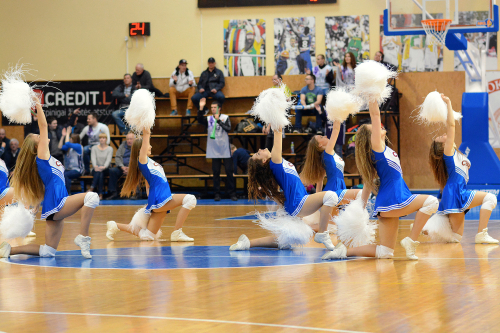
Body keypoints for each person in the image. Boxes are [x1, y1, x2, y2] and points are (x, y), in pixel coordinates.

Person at [322, 100, 438, 261]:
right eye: (374, 128)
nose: (379, 126)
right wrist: (373, 95)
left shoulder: (383, 150)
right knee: (432, 202)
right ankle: (411, 240)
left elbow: (369, 182)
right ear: (372, 137)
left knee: (385, 252)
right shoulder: (377, 148)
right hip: (393, 198)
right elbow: (375, 114)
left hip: (388, 201)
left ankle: (343, 252)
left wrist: (361, 207)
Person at [0, 97, 99, 259]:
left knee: (47, 252)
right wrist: (37, 104)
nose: (41, 135)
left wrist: (37, 206)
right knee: (92, 197)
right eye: (38, 137)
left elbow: (43, 187)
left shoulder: (43, 162)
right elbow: (44, 125)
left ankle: (9, 250)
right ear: (37, 147)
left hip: (52, 206)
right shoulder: (42, 156)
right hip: (58, 203)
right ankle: (83, 237)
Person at [230, 128, 338, 253]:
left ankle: (247, 243)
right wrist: (277, 116)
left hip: (296, 203)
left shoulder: (276, 166)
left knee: (284, 242)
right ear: (264, 161)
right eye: (258, 154)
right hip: (299, 202)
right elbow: (278, 132)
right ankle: (322, 234)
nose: (259, 150)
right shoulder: (275, 161)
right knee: (330, 196)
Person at [428, 94, 498, 244]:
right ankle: (428, 229)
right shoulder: (447, 153)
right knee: (455, 239)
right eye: (440, 137)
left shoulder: (456, 153)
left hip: (458, 191)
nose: (443, 134)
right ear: (442, 147)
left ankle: (481, 234)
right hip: (455, 193)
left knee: (490, 198)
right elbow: (451, 125)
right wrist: (448, 103)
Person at [106, 126, 196, 242]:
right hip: (161, 198)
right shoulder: (142, 160)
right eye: (148, 144)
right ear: (141, 148)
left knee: (148, 236)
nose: (151, 146)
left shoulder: (149, 162)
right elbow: (146, 136)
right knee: (190, 199)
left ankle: (115, 225)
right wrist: (146, 125)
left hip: (159, 197)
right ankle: (177, 232)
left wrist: (151, 200)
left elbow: (148, 183)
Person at [301, 121, 363, 208]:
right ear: (319, 145)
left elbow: (320, 182)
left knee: (332, 220)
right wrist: (336, 116)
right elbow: (336, 130)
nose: (326, 136)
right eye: (322, 137)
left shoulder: (328, 155)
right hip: (334, 189)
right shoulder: (327, 152)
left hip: (339, 188)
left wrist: (318, 201)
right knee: (361, 194)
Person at [197, 99, 237, 201]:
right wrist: (201, 108)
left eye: (215, 107)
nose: (213, 109)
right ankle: (217, 194)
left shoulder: (225, 117)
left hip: (225, 149)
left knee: (229, 171)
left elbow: (228, 129)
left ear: (219, 108)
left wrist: (218, 120)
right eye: (212, 108)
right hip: (214, 149)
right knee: (216, 172)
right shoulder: (209, 118)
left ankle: (232, 193)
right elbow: (199, 120)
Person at [264, 74, 292, 150]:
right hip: (273, 111)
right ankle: (267, 125)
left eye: (275, 79)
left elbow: (287, 100)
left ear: (280, 80)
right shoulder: (271, 89)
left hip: (282, 112)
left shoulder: (285, 88)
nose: (273, 81)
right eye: (272, 79)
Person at [105, 133, 135, 200]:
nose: (129, 140)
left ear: (134, 140)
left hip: (133, 168)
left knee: (137, 171)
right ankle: (114, 193)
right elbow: (118, 157)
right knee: (112, 171)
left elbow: (139, 159)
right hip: (122, 167)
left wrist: (130, 168)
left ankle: (135, 193)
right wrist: (122, 167)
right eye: (127, 139)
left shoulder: (138, 146)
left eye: (131, 139)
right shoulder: (123, 145)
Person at [58, 126, 84, 195]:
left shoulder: (78, 146)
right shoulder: (69, 148)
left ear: (74, 139)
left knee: (65, 175)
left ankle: (67, 193)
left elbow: (67, 143)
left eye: (71, 138)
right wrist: (63, 136)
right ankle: (60, 193)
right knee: (59, 174)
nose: (69, 139)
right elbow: (60, 147)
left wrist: (67, 134)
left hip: (77, 170)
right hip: (69, 169)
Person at [90, 133, 113, 199]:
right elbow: (93, 158)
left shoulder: (110, 149)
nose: (102, 139)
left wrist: (104, 166)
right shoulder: (94, 148)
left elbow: (108, 160)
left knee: (101, 172)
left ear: (106, 139)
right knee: (99, 173)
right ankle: (100, 194)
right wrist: (95, 166)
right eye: (100, 138)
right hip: (96, 168)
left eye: (103, 138)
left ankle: (92, 187)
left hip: (105, 168)